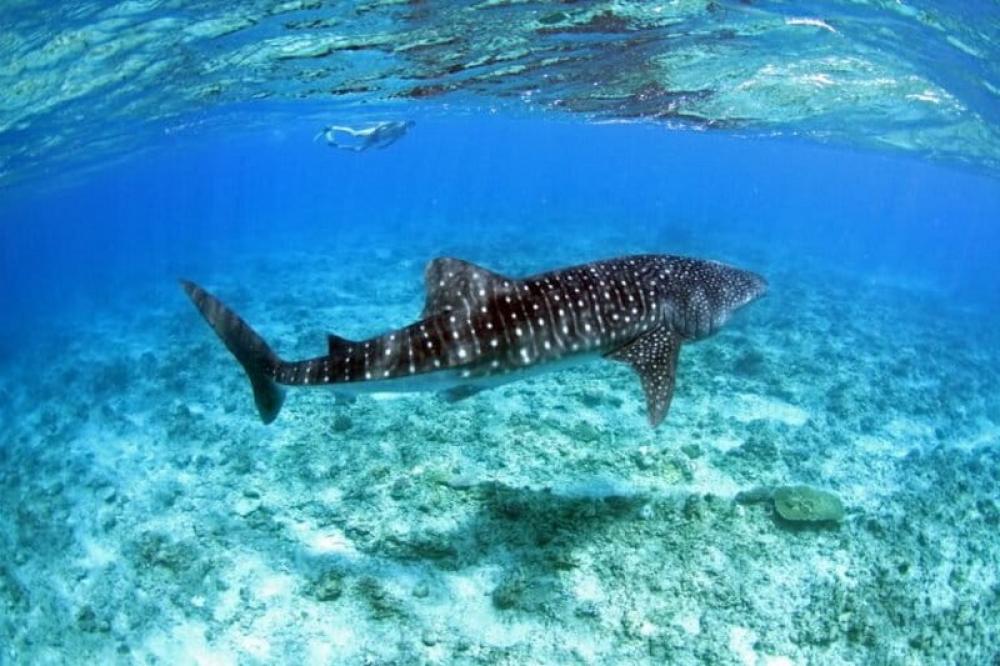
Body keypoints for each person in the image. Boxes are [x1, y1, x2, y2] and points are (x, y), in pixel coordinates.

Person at [315, 120, 414, 152]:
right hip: (374, 132)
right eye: (406, 124)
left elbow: (394, 140)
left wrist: (385, 146)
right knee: (355, 134)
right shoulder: (396, 123)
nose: (405, 125)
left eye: (408, 125)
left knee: (359, 150)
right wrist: (376, 131)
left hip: (377, 138)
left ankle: (335, 145)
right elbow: (382, 125)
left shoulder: (404, 132)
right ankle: (332, 127)